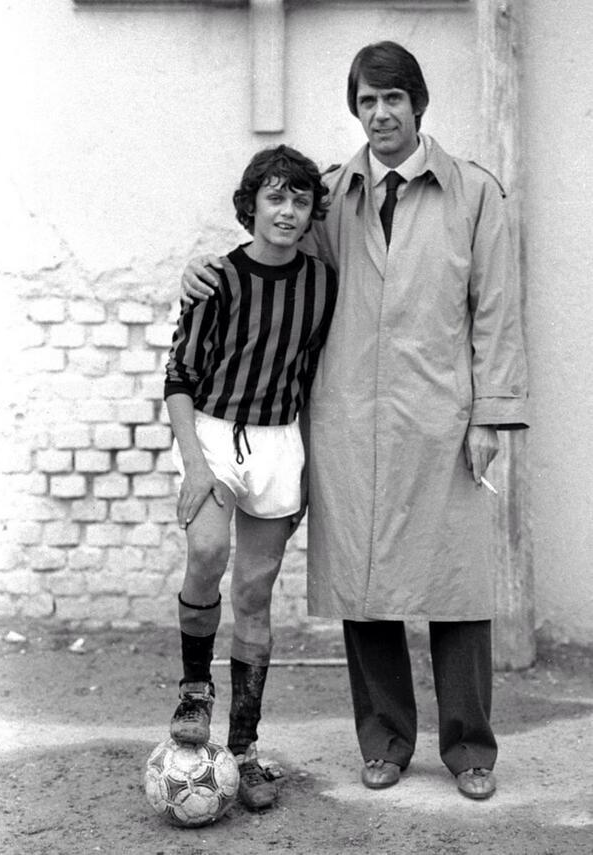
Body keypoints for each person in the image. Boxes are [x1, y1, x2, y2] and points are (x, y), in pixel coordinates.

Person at [180, 41, 528, 801]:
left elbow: (496, 311)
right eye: (367, 101)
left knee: (457, 584)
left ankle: (469, 747)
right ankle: (385, 740)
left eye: (392, 99)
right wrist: (202, 272)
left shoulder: (473, 193)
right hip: (345, 420)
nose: (380, 114)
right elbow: (270, 250)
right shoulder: (331, 195)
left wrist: (491, 416)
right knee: (363, 583)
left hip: (441, 417)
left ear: (417, 104)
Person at [164, 144, 336, 811]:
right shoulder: (217, 279)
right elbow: (179, 377)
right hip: (212, 432)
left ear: (311, 212)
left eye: (300, 199)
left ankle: (243, 748)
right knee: (208, 550)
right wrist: (195, 464)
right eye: (275, 197)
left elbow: (317, 377)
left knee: (256, 594)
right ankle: (194, 691)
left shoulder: (323, 284)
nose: (287, 210)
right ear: (252, 205)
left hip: (277, 441)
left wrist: (311, 464)